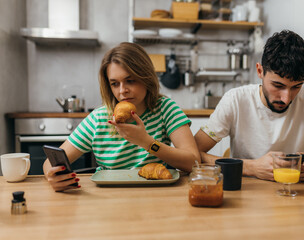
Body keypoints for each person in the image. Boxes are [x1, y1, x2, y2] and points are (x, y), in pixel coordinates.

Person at [194, 30, 304, 181]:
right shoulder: (235, 100)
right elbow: (192, 155)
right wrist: (251, 167)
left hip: (291, 195)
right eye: (278, 86)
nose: (286, 98)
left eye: (296, 86)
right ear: (260, 71)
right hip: (244, 195)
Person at [43, 42, 200, 191]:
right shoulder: (99, 118)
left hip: (155, 195)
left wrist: (146, 142)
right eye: (115, 84)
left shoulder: (165, 109)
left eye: (130, 81)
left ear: (146, 78)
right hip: (108, 199)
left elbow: (193, 161)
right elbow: (50, 163)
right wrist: (53, 176)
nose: (122, 91)